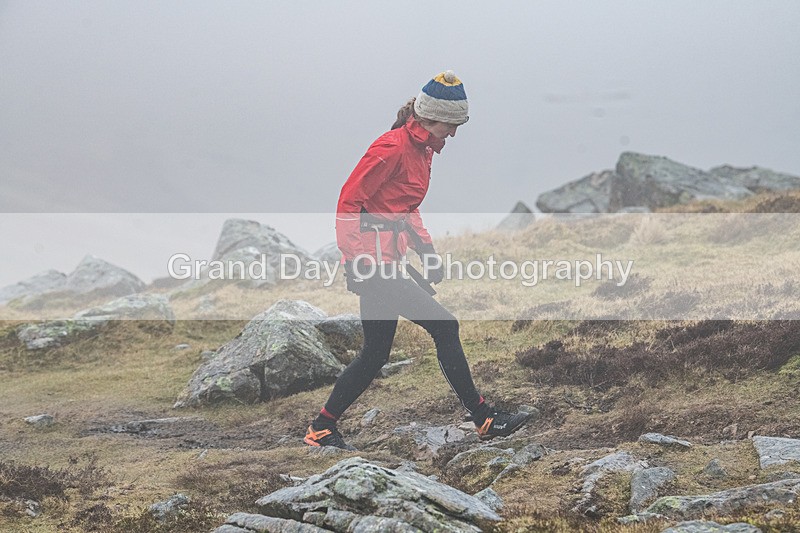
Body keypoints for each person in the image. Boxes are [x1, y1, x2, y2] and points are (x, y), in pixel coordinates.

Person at [304, 71, 532, 450]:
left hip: (389, 262)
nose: (454, 134)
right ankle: (485, 418)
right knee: (445, 326)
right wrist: (358, 261)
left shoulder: (422, 150)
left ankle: (321, 428)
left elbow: (406, 208)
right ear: (430, 118)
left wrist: (426, 252)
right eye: (451, 125)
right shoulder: (391, 148)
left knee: (375, 354)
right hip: (373, 265)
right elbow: (348, 202)